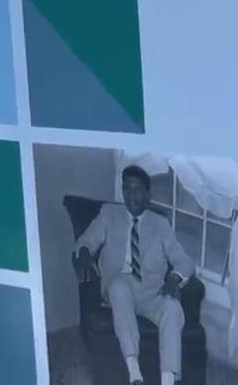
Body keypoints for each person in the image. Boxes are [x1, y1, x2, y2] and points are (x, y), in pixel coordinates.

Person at [74, 165, 195, 385]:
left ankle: (168, 379)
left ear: (147, 194)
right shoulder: (109, 214)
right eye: (126, 189)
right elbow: (87, 240)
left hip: (151, 291)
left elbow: (183, 260)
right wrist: (84, 254)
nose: (131, 195)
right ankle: (134, 373)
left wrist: (174, 278)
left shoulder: (160, 224)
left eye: (137, 190)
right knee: (119, 286)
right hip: (119, 290)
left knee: (173, 307)